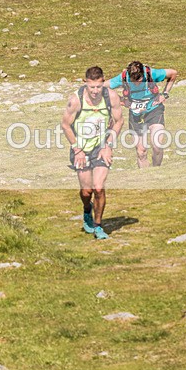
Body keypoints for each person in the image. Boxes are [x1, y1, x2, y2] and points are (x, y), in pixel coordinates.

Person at [61, 66, 124, 240]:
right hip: (80, 147)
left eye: (99, 86)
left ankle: (98, 226)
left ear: (103, 82)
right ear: (85, 84)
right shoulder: (76, 100)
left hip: (100, 147)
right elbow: (65, 125)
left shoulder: (111, 97)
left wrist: (109, 145)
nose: (96, 91)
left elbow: (119, 121)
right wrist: (77, 149)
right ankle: (87, 209)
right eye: (92, 87)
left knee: (98, 187)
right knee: (86, 191)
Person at [107, 61, 177, 168]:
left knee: (157, 145)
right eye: (133, 81)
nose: (136, 84)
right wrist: (121, 100)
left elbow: (173, 73)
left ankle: (156, 171)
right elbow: (101, 87)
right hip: (135, 114)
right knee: (141, 151)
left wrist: (165, 94)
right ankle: (146, 177)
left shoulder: (151, 73)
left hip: (154, 110)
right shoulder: (124, 77)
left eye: (139, 81)